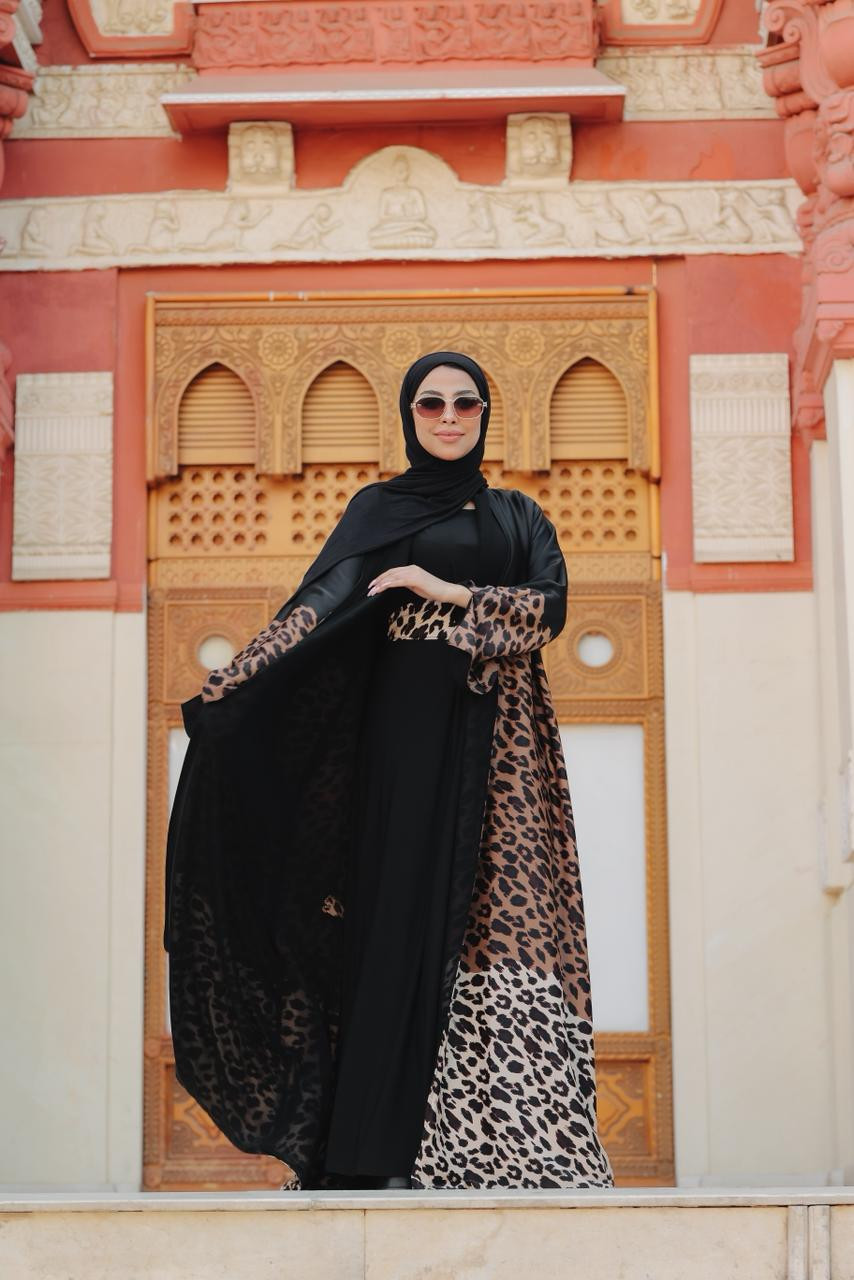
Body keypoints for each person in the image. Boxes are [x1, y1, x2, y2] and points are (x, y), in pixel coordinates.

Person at [163, 350, 615, 1192]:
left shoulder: (519, 515)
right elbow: (320, 603)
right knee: (392, 918)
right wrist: (239, 681)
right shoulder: (377, 508)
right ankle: (374, 1153)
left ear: (485, 414)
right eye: (430, 404)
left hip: (498, 747)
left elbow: (550, 607)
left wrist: (442, 588)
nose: (449, 417)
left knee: (493, 930)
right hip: (401, 737)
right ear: (409, 415)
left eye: (465, 404)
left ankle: (492, 1150)